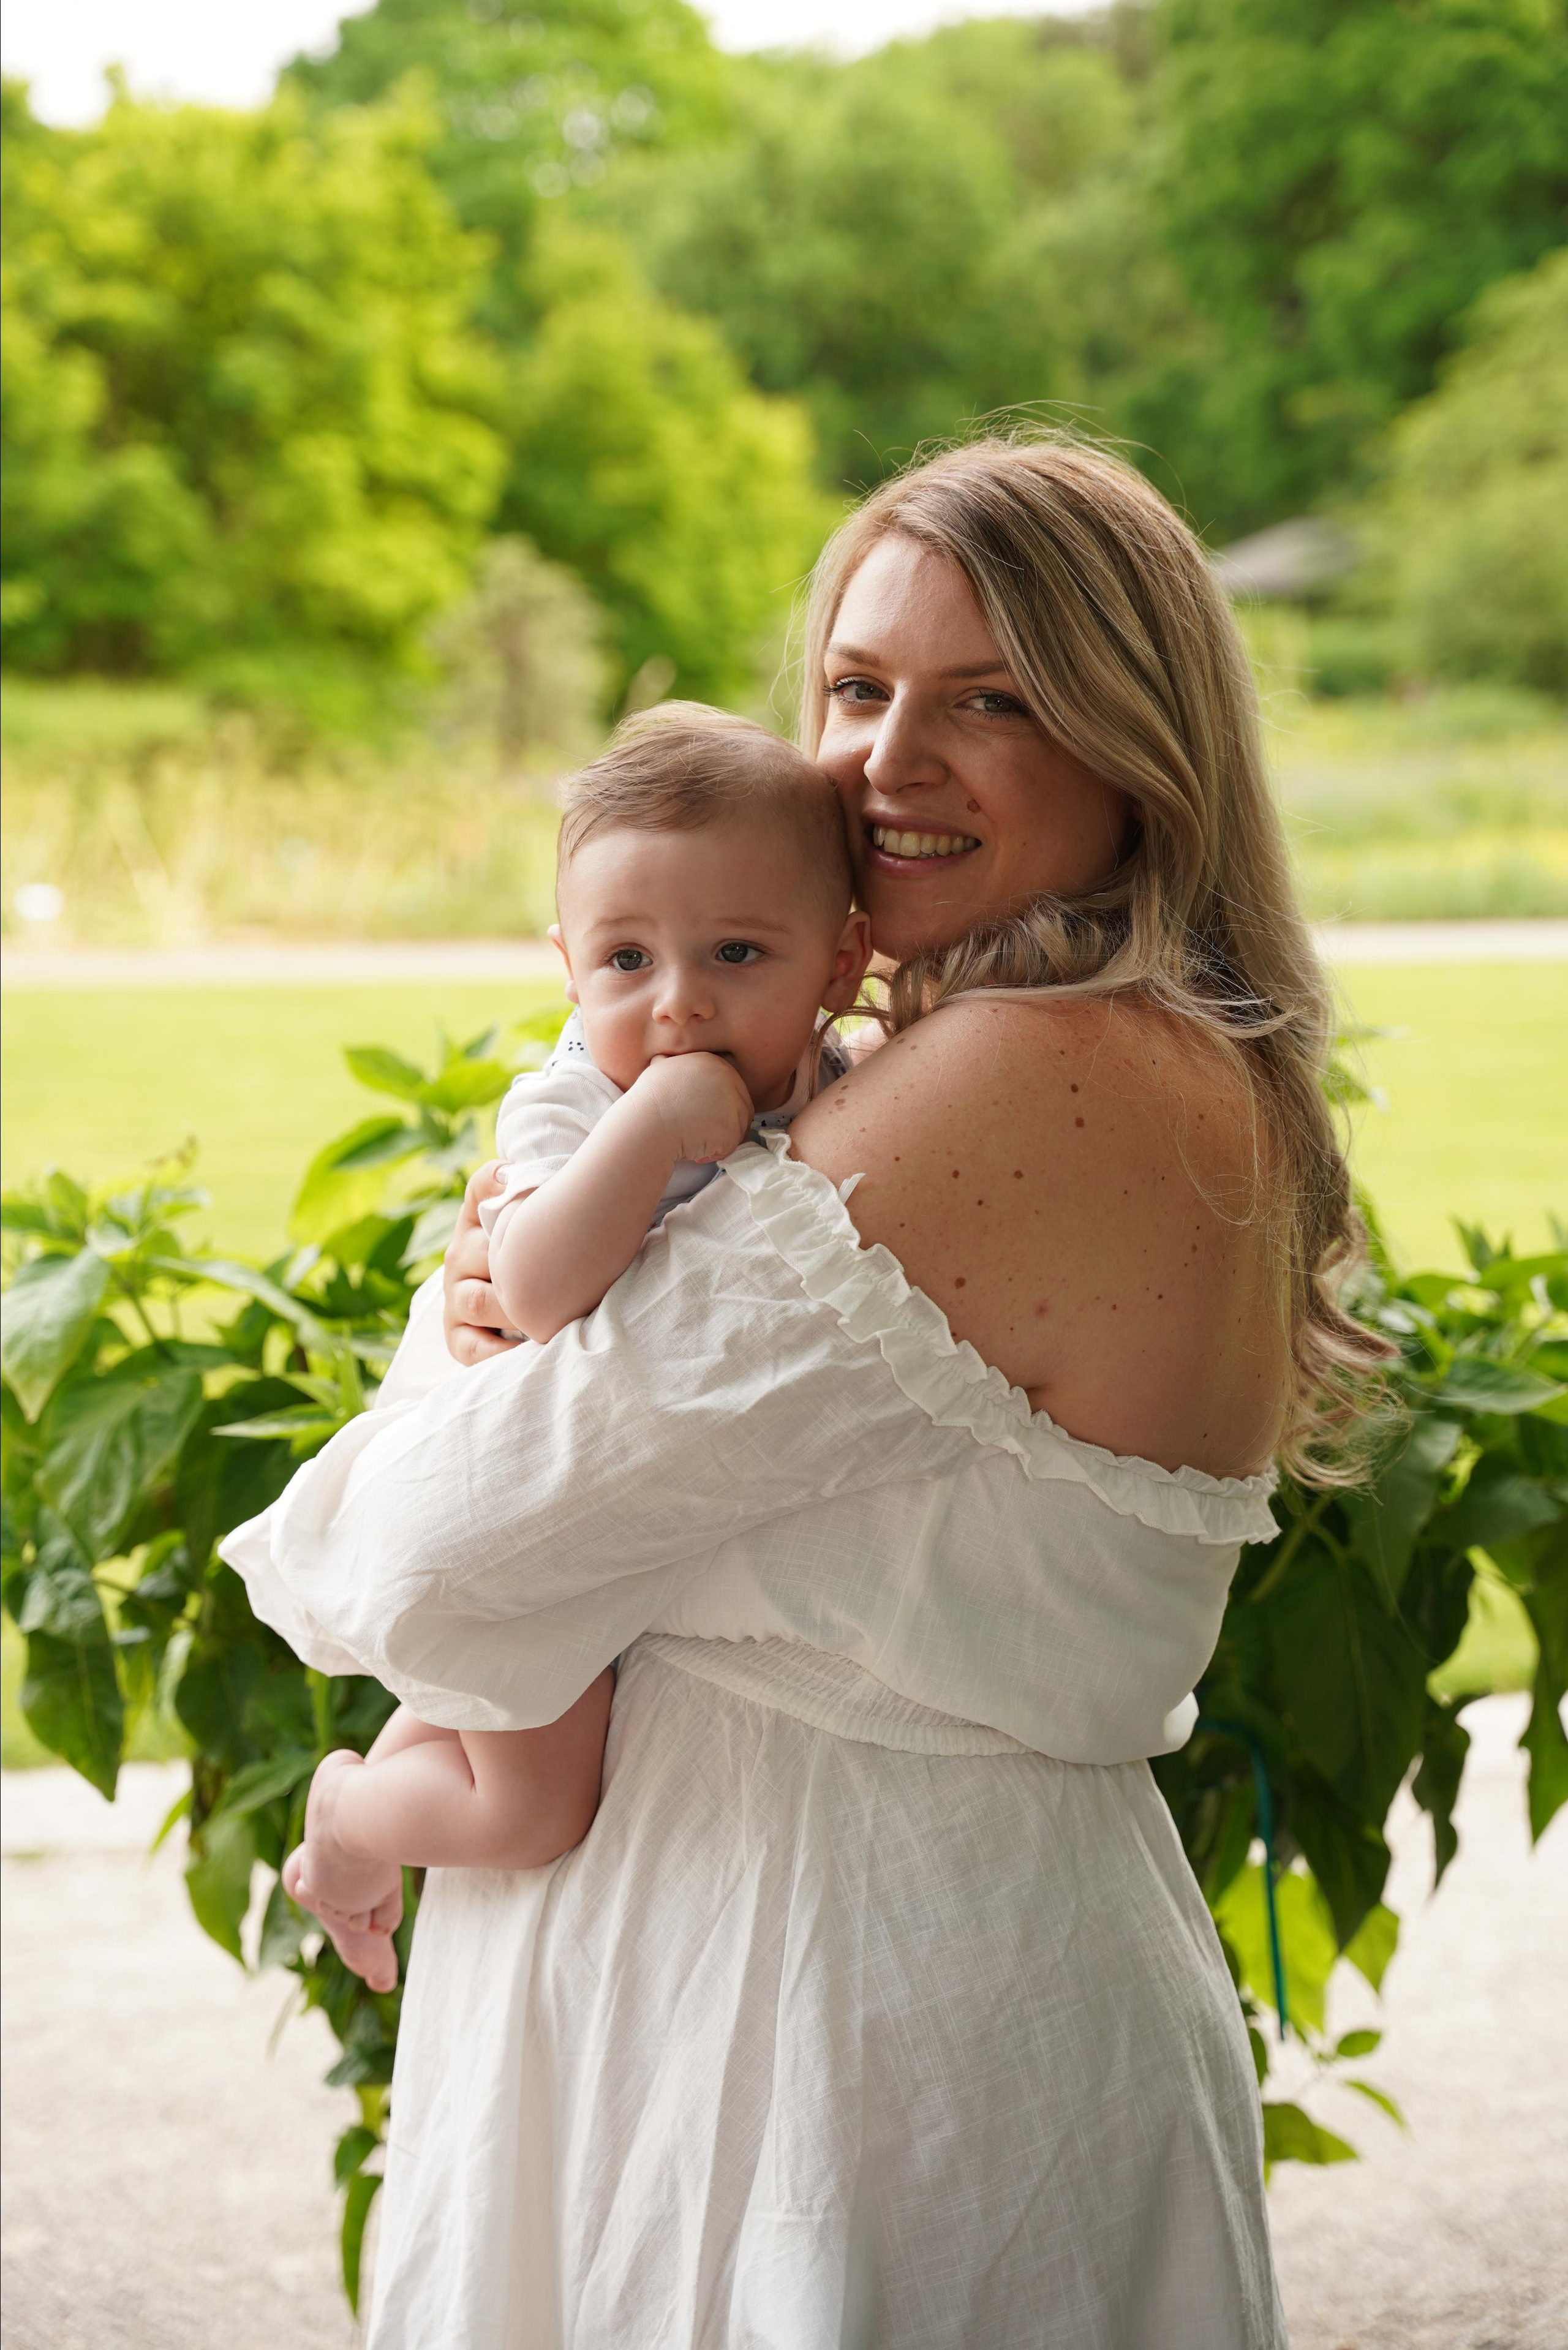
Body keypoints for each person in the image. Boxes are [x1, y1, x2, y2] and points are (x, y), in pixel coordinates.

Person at [225, 435, 1388, 2347]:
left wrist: (482, 1326)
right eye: (858, 688)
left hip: (833, 2019)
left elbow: (438, 1558)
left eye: (992, 701)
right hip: (786, 1977)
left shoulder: (1028, 1074)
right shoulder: (1035, 1057)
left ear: (1136, 741)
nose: (882, 763)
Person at [276, 709, 870, 1978]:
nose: (677, 1002)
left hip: (618, 1504)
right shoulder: (576, 1098)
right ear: (566, 965)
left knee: (470, 1708)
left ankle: (365, 1808)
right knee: (530, 1807)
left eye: (736, 950)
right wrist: (655, 1119)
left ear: (840, 958)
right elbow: (536, 1291)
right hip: (523, 1511)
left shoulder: (847, 1080)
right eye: (624, 960)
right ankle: (345, 1820)